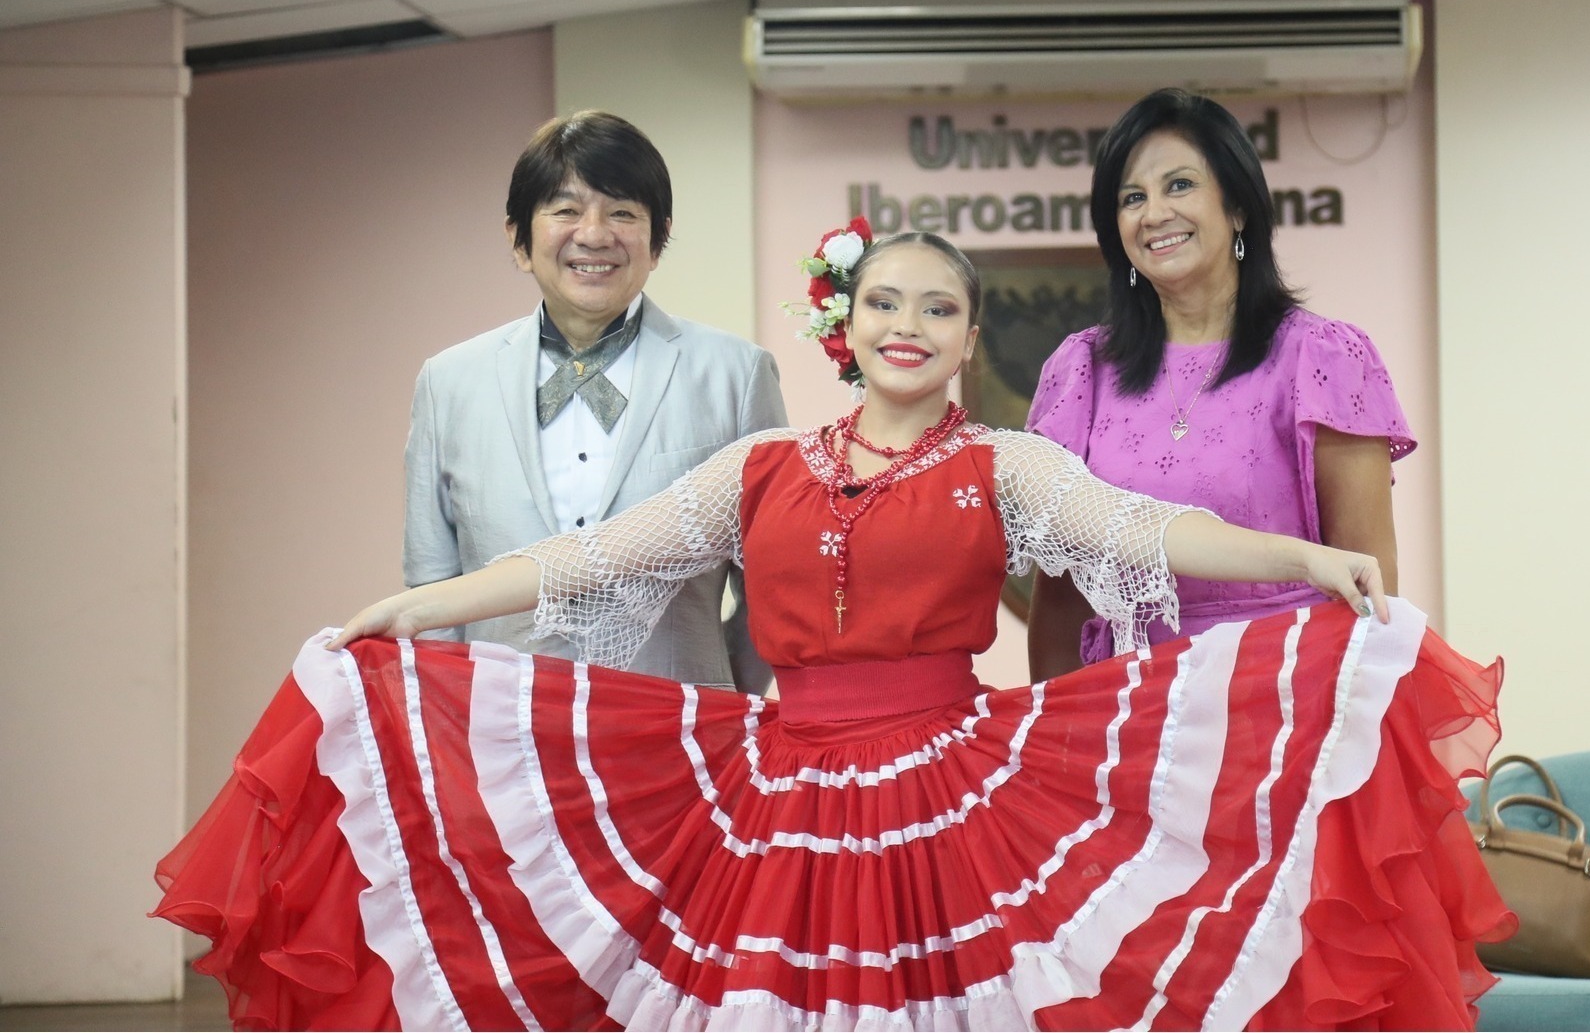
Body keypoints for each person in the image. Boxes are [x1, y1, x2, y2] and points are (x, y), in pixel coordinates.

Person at [153, 223, 1510, 1031]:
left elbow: (1150, 535)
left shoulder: (1004, 466)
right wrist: (414, 606)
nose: (908, 324)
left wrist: (1306, 554)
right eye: (885, 304)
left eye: (937, 306)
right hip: (772, 792)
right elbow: (582, 556)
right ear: (843, 328)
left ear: (970, 334)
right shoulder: (757, 471)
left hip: (957, 791)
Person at [1028, 89, 1412, 681]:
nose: (1154, 213)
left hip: (1286, 703)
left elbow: (1369, 582)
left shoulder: (1322, 357)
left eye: (1179, 185)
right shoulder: (1080, 371)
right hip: (1128, 711)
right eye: (1133, 197)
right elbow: (1060, 598)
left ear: (1237, 208)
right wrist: (1052, 738)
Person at [404, 109, 784, 688]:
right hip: (506, 735)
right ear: (519, 239)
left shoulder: (736, 373)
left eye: (623, 213)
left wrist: (722, 706)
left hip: (679, 737)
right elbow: (433, 588)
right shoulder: (448, 382)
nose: (595, 233)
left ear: (656, 242)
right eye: (565, 210)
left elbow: (771, 585)